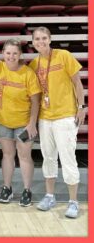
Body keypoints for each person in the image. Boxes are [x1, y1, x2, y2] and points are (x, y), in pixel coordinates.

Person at [29, 26, 86, 218]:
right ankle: (50, 196)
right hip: (45, 118)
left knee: (68, 159)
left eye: (44, 38)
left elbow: (77, 83)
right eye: (37, 39)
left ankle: (73, 202)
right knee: (49, 158)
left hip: (65, 116)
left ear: (50, 39)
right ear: (33, 42)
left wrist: (81, 107)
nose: (40, 42)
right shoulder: (34, 64)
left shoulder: (64, 55)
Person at [0, 38, 41, 207]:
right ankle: (7, 188)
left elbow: (36, 101)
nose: (11, 56)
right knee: (7, 156)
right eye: (8, 53)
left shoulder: (28, 73)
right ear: (3, 53)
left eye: (14, 53)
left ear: (20, 54)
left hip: (24, 123)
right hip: (4, 122)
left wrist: (32, 123)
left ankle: (27, 190)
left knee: (24, 156)